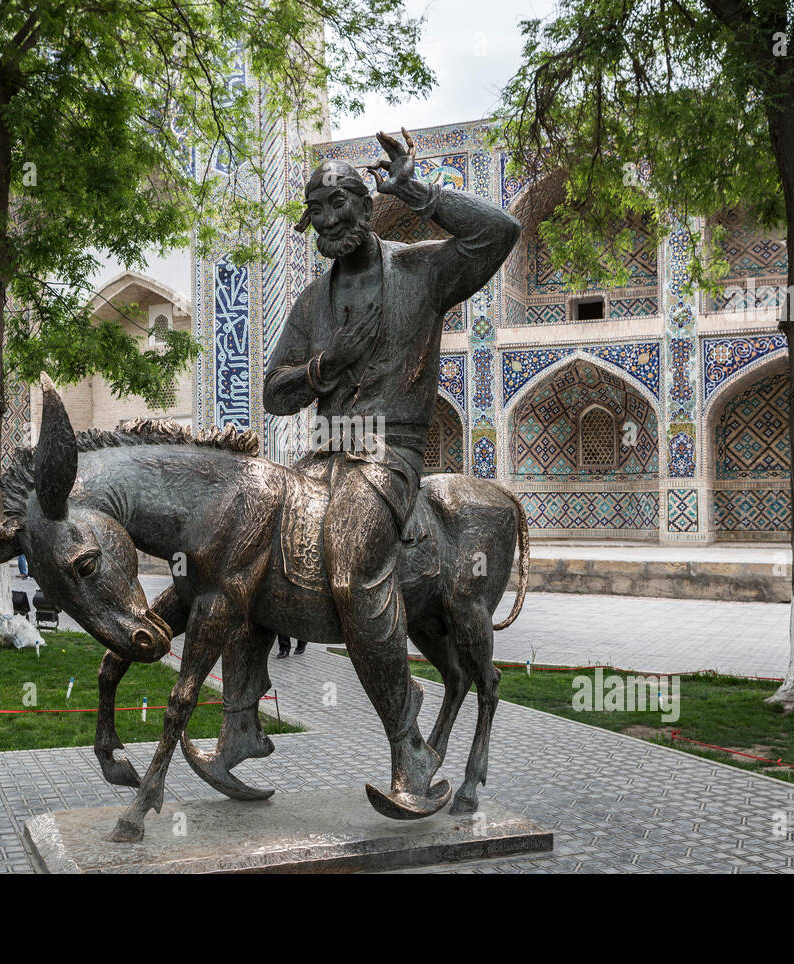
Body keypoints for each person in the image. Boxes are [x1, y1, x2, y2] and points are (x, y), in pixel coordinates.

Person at [262, 133, 519, 813]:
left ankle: (408, 745)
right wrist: (324, 367)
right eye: (316, 214)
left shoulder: (420, 274)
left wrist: (420, 192)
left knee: (350, 565)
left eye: (338, 209)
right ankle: (237, 727)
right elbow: (275, 393)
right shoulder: (312, 302)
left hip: (388, 452)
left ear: (366, 207)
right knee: (244, 547)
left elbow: (502, 231)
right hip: (323, 454)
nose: (327, 224)